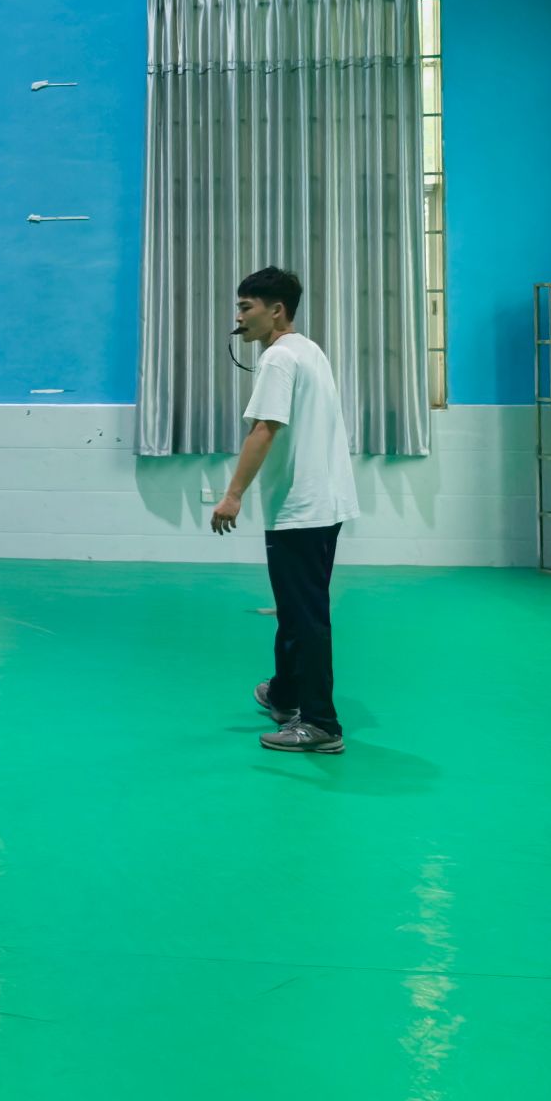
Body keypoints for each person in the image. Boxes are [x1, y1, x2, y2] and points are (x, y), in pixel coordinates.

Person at [211, 266, 361, 754]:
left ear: (276, 311)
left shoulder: (277, 358)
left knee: (306, 615)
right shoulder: (308, 349)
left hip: (301, 508)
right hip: (324, 503)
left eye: (245, 307)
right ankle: (284, 694)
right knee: (295, 609)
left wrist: (233, 495)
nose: (238, 317)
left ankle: (319, 724)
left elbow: (264, 430)